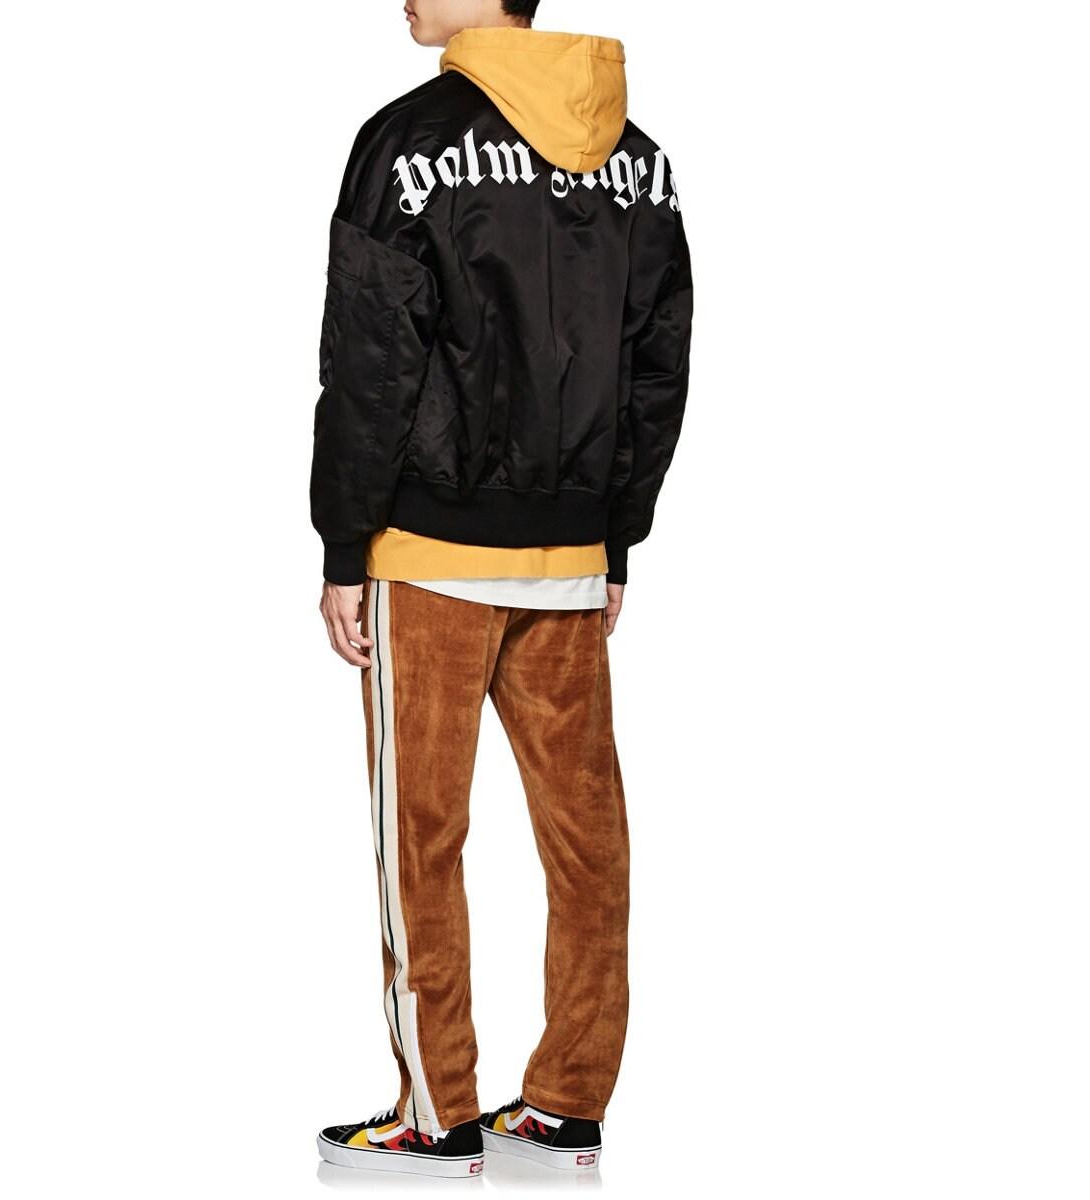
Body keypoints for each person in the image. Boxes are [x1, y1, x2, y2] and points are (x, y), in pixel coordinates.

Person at [310, 0, 692, 1178]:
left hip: (428, 550)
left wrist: (343, 545)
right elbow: (658, 359)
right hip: (569, 557)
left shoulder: (405, 141)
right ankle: (568, 1105)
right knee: (588, 839)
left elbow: (370, 359)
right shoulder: (637, 159)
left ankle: (437, 1114)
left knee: (419, 840)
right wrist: (614, 538)